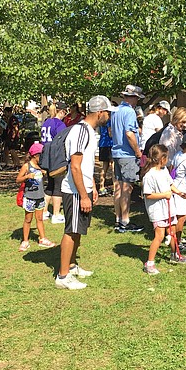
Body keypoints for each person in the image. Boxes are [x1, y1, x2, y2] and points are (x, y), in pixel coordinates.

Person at [55, 95, 117, 290]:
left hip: (83, 188)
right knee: (72, 230)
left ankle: (72, 266)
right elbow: (75, 167)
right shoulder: (80, 131)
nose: (108, 117)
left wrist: (93, 188)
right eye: (107, 113)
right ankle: (63, 276)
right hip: (74, 191)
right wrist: (83, 195)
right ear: (99, 112)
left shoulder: (90, 131)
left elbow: (87, 165)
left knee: (79, 229)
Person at [142, 144, 186, 275]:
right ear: (161, 158)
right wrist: (164, 195)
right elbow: (148, 194)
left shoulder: (164, 171)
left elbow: (170, 184)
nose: (168, 160)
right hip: (157, 210)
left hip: (169, 208)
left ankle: (175, 254)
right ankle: (150, 263)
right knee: (160, 236)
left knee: (172, 232)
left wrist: (180, 193)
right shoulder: (149, 176)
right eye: (167, 157)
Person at [111, 84, 146, 233]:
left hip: (117, 152)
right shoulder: (129, 112)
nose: (138, 101)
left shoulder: (116, 110)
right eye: (137, 98)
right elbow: (129, 134)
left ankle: (118, 219)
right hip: (127, 154)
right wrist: (138, 152)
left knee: (118, 187)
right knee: (127, 188)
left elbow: (111, 132)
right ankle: (125, 221)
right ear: (133, 97)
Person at [15, 142, 55, 251]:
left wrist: (44, 173)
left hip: (40, 197)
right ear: (34, 155)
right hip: (29, 197)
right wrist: (27, 176)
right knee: (28, 219)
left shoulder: (41, 166)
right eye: (41, 155)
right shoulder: (27, 166)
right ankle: (25, 241)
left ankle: (42, 239)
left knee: (40, 218)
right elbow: (18, 179)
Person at [40, 101, 68, 224]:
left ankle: (45, 211)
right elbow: (63, 141)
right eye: (65, 113)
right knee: (58, 184)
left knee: (50, 184)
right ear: (61, 111)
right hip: (56, 155)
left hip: (45, 153)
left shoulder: (46, 122)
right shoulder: (59, 124)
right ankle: (56, 214)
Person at [97, 117, 114, 197]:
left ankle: (101, 187)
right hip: (109, 144)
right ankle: (115, 188)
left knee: (104, 167)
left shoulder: (101, 121)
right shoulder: (109, 121)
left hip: (102, 144)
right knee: (113, 167)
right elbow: (110, 134)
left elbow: (99, 132)